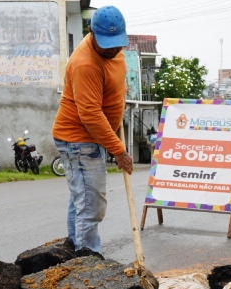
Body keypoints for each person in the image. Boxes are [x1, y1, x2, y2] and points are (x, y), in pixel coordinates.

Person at [51, 5, 133, 253]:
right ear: (91, 32)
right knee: (91, 205)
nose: (114, 49)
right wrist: (118, 150)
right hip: (79, 139)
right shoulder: (84, 63)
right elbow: (90, 114)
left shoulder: (114, 50)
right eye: (107, 44)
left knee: (82, 199)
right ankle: (88, 263)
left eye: (118, 43)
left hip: (92, 136)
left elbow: (115, 83)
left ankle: (75, 253)